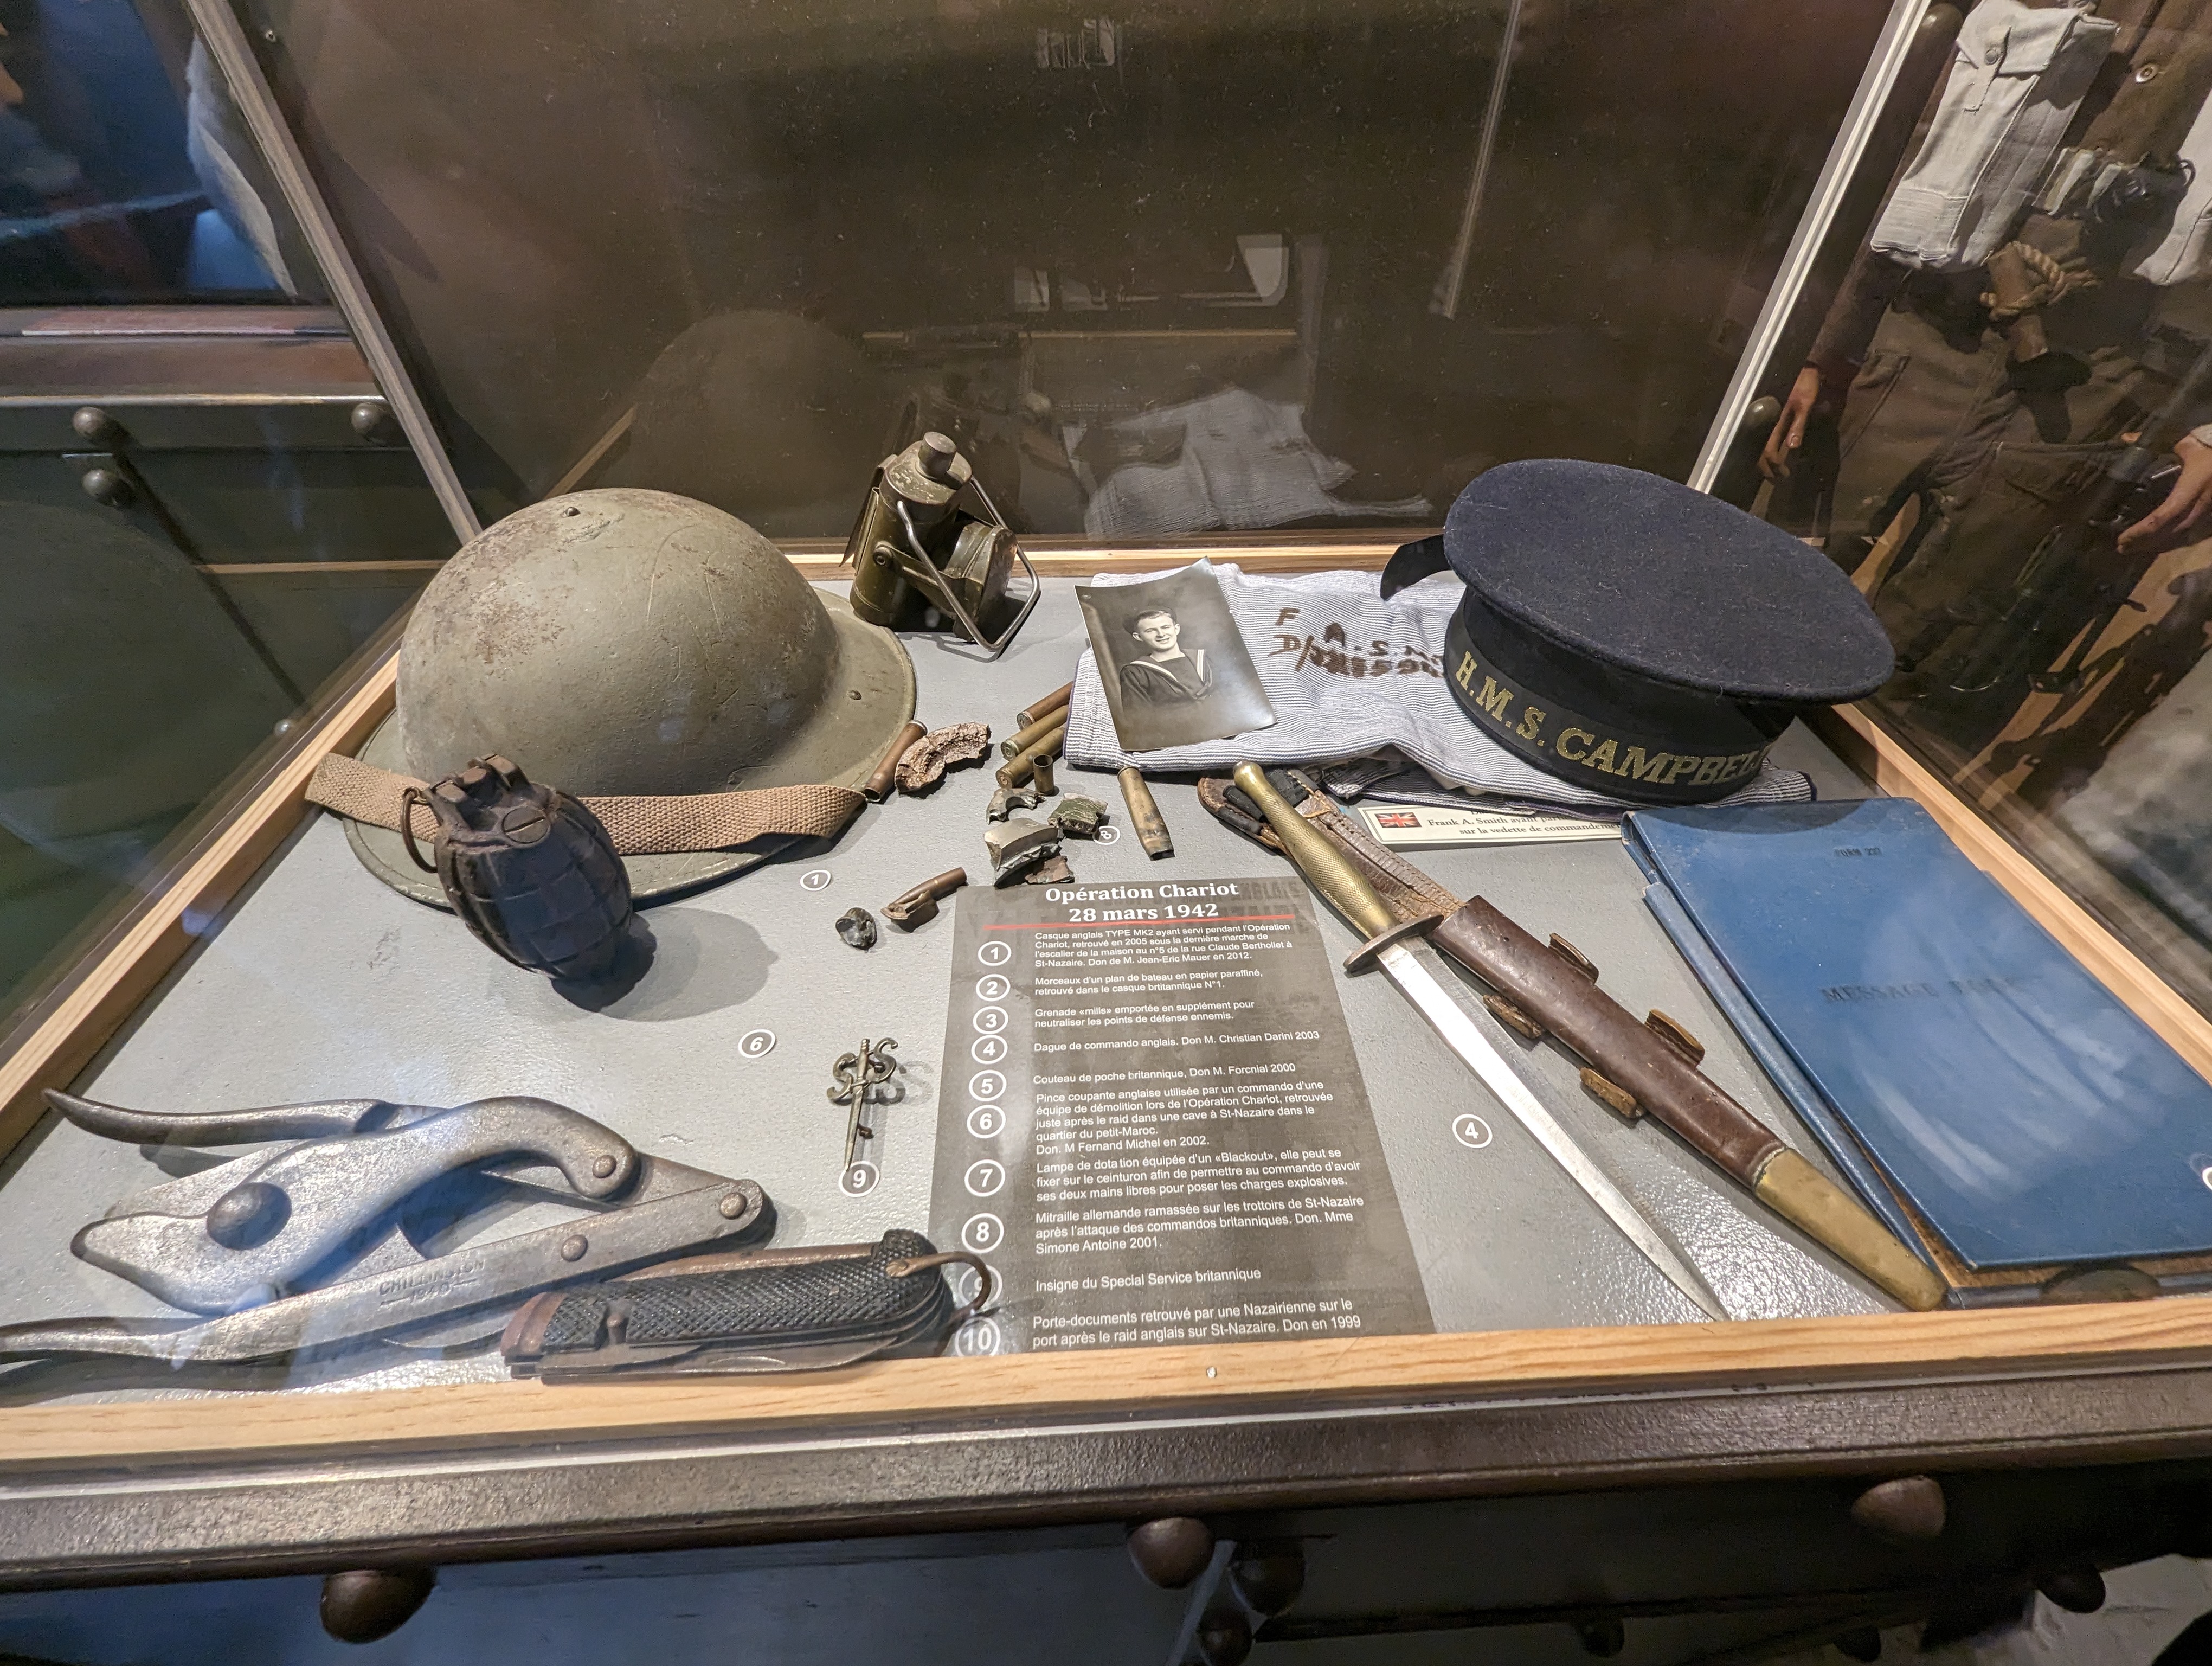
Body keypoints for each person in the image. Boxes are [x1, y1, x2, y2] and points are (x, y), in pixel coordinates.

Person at [1757, 0, 2212, 760]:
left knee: (1926, 656)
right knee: (1768, 585)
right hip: (1924, 325)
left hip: (2088, 387)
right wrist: (1826, 348)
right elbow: (1909, 145)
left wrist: (2205, 425)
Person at [1118, 607, 1214, 704]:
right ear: (1138, 637)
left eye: (1166, 627)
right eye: (1151, 631)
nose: (1161, 634)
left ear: (1176, 629)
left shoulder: (1204, 659)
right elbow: (1138, 713)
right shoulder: (1136, 672)